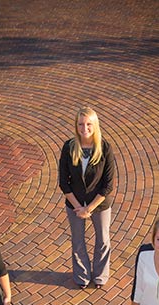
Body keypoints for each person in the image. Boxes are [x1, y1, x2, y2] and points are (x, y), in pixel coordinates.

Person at [59, 106, 115, 289]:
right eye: (81, 124)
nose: (85, 128)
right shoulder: (69, 147)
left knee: (103, 240)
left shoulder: (105, 148)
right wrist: (78, 207)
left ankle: (100, 276)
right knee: (78, 240)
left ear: (95, 125)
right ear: (76, 125)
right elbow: (63, 182)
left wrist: (89, 208)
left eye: (89, 124)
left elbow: (108, 184)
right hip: (74, 204)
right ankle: (82, 276)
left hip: (99, 204)